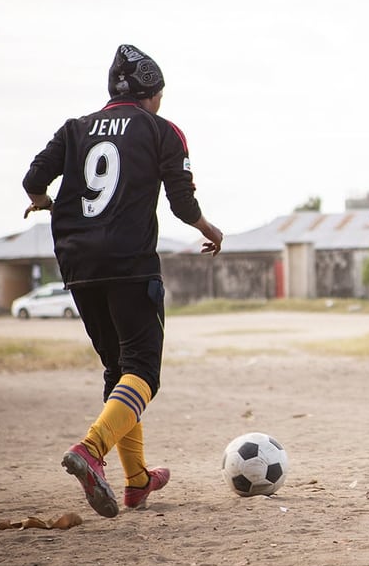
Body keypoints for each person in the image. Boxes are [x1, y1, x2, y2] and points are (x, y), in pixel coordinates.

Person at [22, 44, 223, 517]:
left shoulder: (74, 129)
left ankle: (137, 480)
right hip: (130, 263)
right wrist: (206, 228)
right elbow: (180, 201)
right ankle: (91, 450)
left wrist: (44, 201)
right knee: (143, 372)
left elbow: (34, 178)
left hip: (77, 263)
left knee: (118, 370)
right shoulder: (162, 130)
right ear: (153, 93)